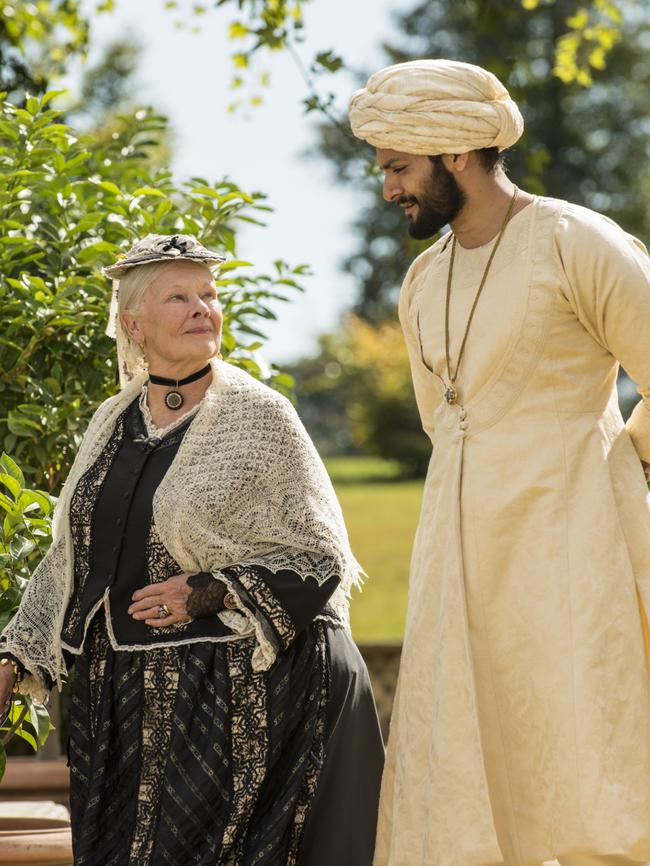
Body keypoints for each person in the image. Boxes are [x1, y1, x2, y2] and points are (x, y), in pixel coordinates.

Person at [348, 59, 650, 866]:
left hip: (576, 545)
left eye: (397, 167)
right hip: (459, 563)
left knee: (588, 761)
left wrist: (623, 461)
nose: (388, 189)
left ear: (455, 153)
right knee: (465, 775)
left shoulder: (571, 239)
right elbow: (444, 421)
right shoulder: (421, 282)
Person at [0, 233, 384, 866]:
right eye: (178, 297)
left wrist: (207, 590)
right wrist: (14, 656)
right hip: (119, 710)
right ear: (133, 324)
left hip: (235, 703)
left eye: (208, 294)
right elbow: (70, 558)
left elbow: (320, 558)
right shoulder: (111, 422)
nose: (202, 307)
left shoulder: (259, 417)